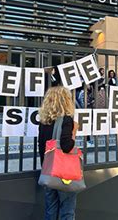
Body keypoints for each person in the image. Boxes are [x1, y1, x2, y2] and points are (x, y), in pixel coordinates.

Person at [38, 86, 77, 220]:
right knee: (67, 211)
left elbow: (41, 147)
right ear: (65, 101)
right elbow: (66, 146)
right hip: (63, 173)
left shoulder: (44, 121)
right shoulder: (66, 119)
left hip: (48, 171)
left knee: (50, 209)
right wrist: (74, 131)